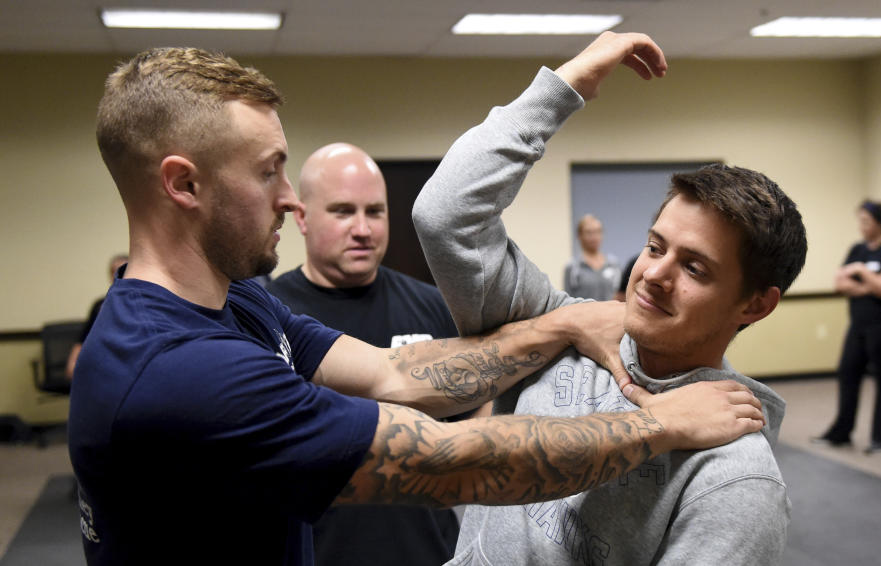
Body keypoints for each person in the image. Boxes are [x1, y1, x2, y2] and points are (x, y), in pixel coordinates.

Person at [69, 45, 767, 566]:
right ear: (183, 186)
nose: (289, 199)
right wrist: (659, 426)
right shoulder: (174, 371)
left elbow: (392, 374)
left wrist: (562, 322)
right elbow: (447, 460)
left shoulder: (239, 300)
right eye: (267, 172)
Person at [413, 31, 807, 564]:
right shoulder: (557, 327)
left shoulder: (736, 478)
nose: (653, 275)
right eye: (654, 246)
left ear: (755, 304)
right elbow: (445, 218)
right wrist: (566, 84)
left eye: (694, 267)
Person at [267, 143, 466, 565]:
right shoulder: (267, 315)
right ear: (301, 218)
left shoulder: (434, 305)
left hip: (429, 552)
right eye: (343, 211)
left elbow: (478, 421)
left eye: (374, 212)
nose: (363, 229)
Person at [815, 200, 881, 454]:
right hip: (859, 325)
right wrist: (872, 284)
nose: (862, 226)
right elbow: (839, 283)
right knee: (847, 373)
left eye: (867, 221)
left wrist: (861, 272)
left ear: (880, 224)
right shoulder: (857, 249)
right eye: (861, 220)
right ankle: (841, 432)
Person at [65, 253, 128, 380]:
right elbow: (83, 339)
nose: (117, 275)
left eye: (122, 271)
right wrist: (72, 364)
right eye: (113, 272)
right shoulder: (100, 306)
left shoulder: (142, 304)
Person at [564, 214, 621, 300]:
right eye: (589, 232)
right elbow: (567, 301)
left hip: (610, 312)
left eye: (598, 231)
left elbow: (620, 295)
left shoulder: (613, 264)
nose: (594, 237)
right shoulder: (573, 267)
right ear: (580, 236)